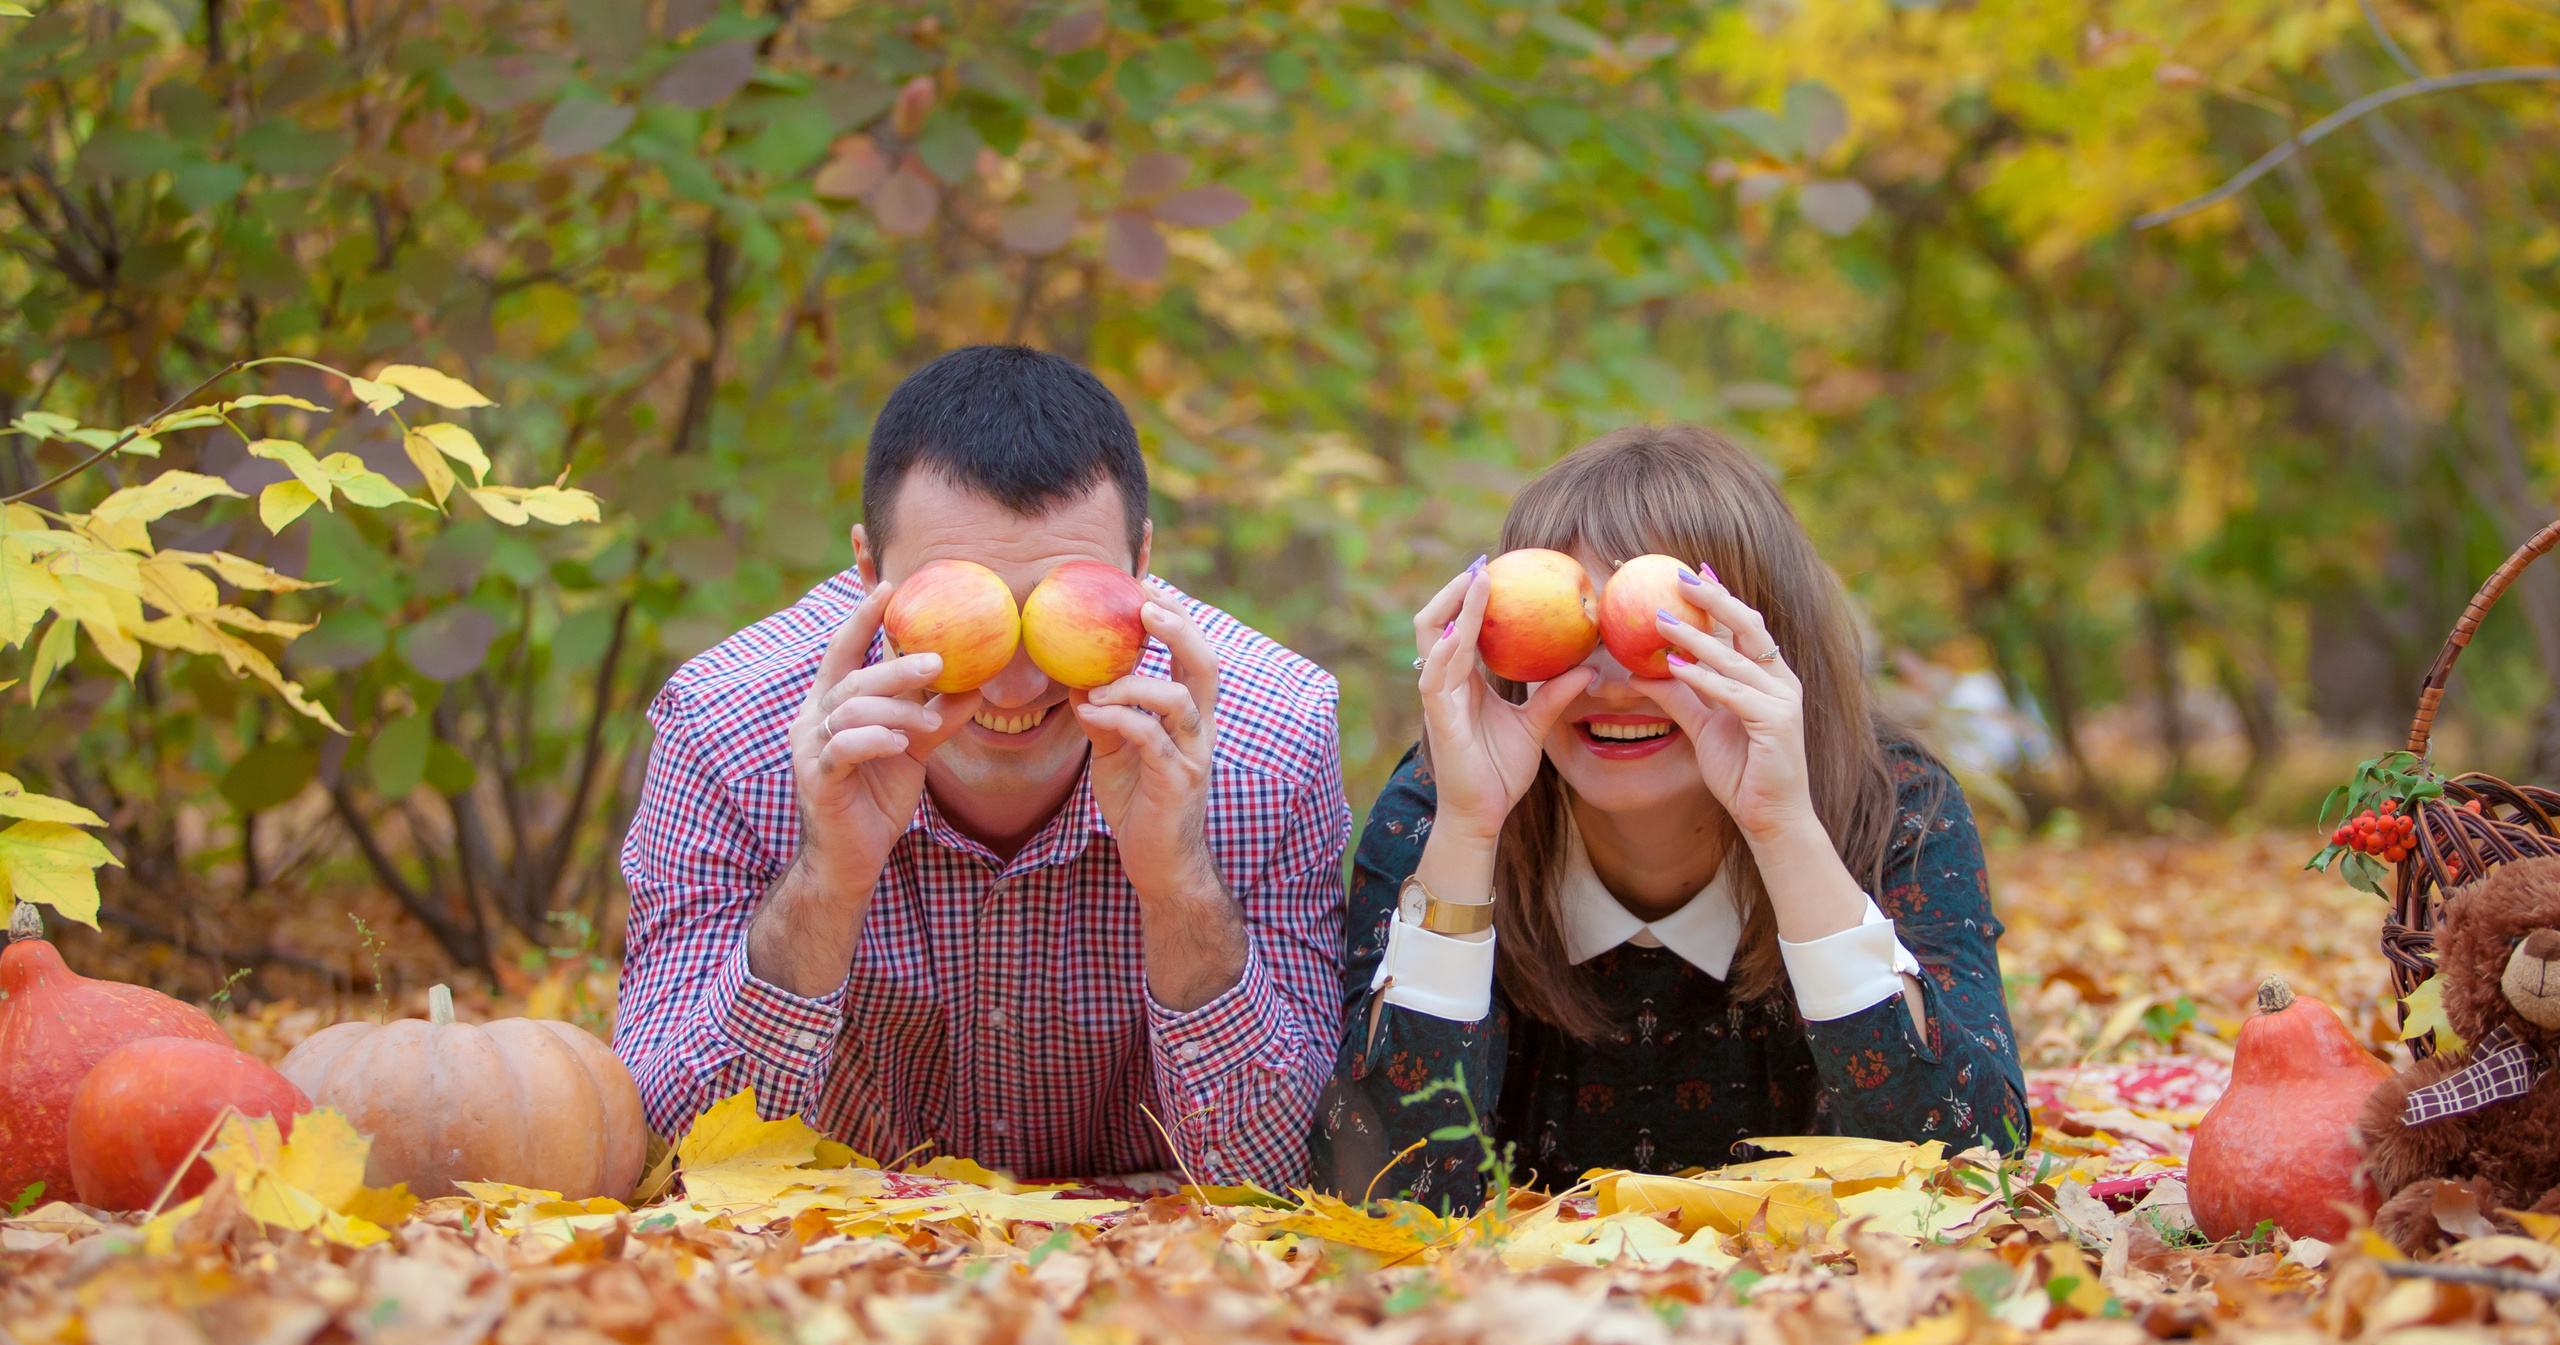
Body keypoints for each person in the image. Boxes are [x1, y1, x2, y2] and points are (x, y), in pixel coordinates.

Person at [616, 345, 1349, 1184]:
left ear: (1143, 567)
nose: (1016, 677)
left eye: (1059, 611)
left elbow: (1293, 1177)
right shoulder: (727, 726)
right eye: (966, 610)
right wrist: (827, 881)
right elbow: (663, 1157)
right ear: (866, 572)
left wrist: (1178, 883)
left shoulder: (1272, 739)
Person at [1320, 424, 2026, 1211]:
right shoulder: (1440, 809)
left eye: (1667, 629)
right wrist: (1468, 832)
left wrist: (1784, 829)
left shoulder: (1894, 804)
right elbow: (1383, 1194)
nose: (1616, 680)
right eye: (1580, 623)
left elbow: (1974, 1169)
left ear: (1767, 643)